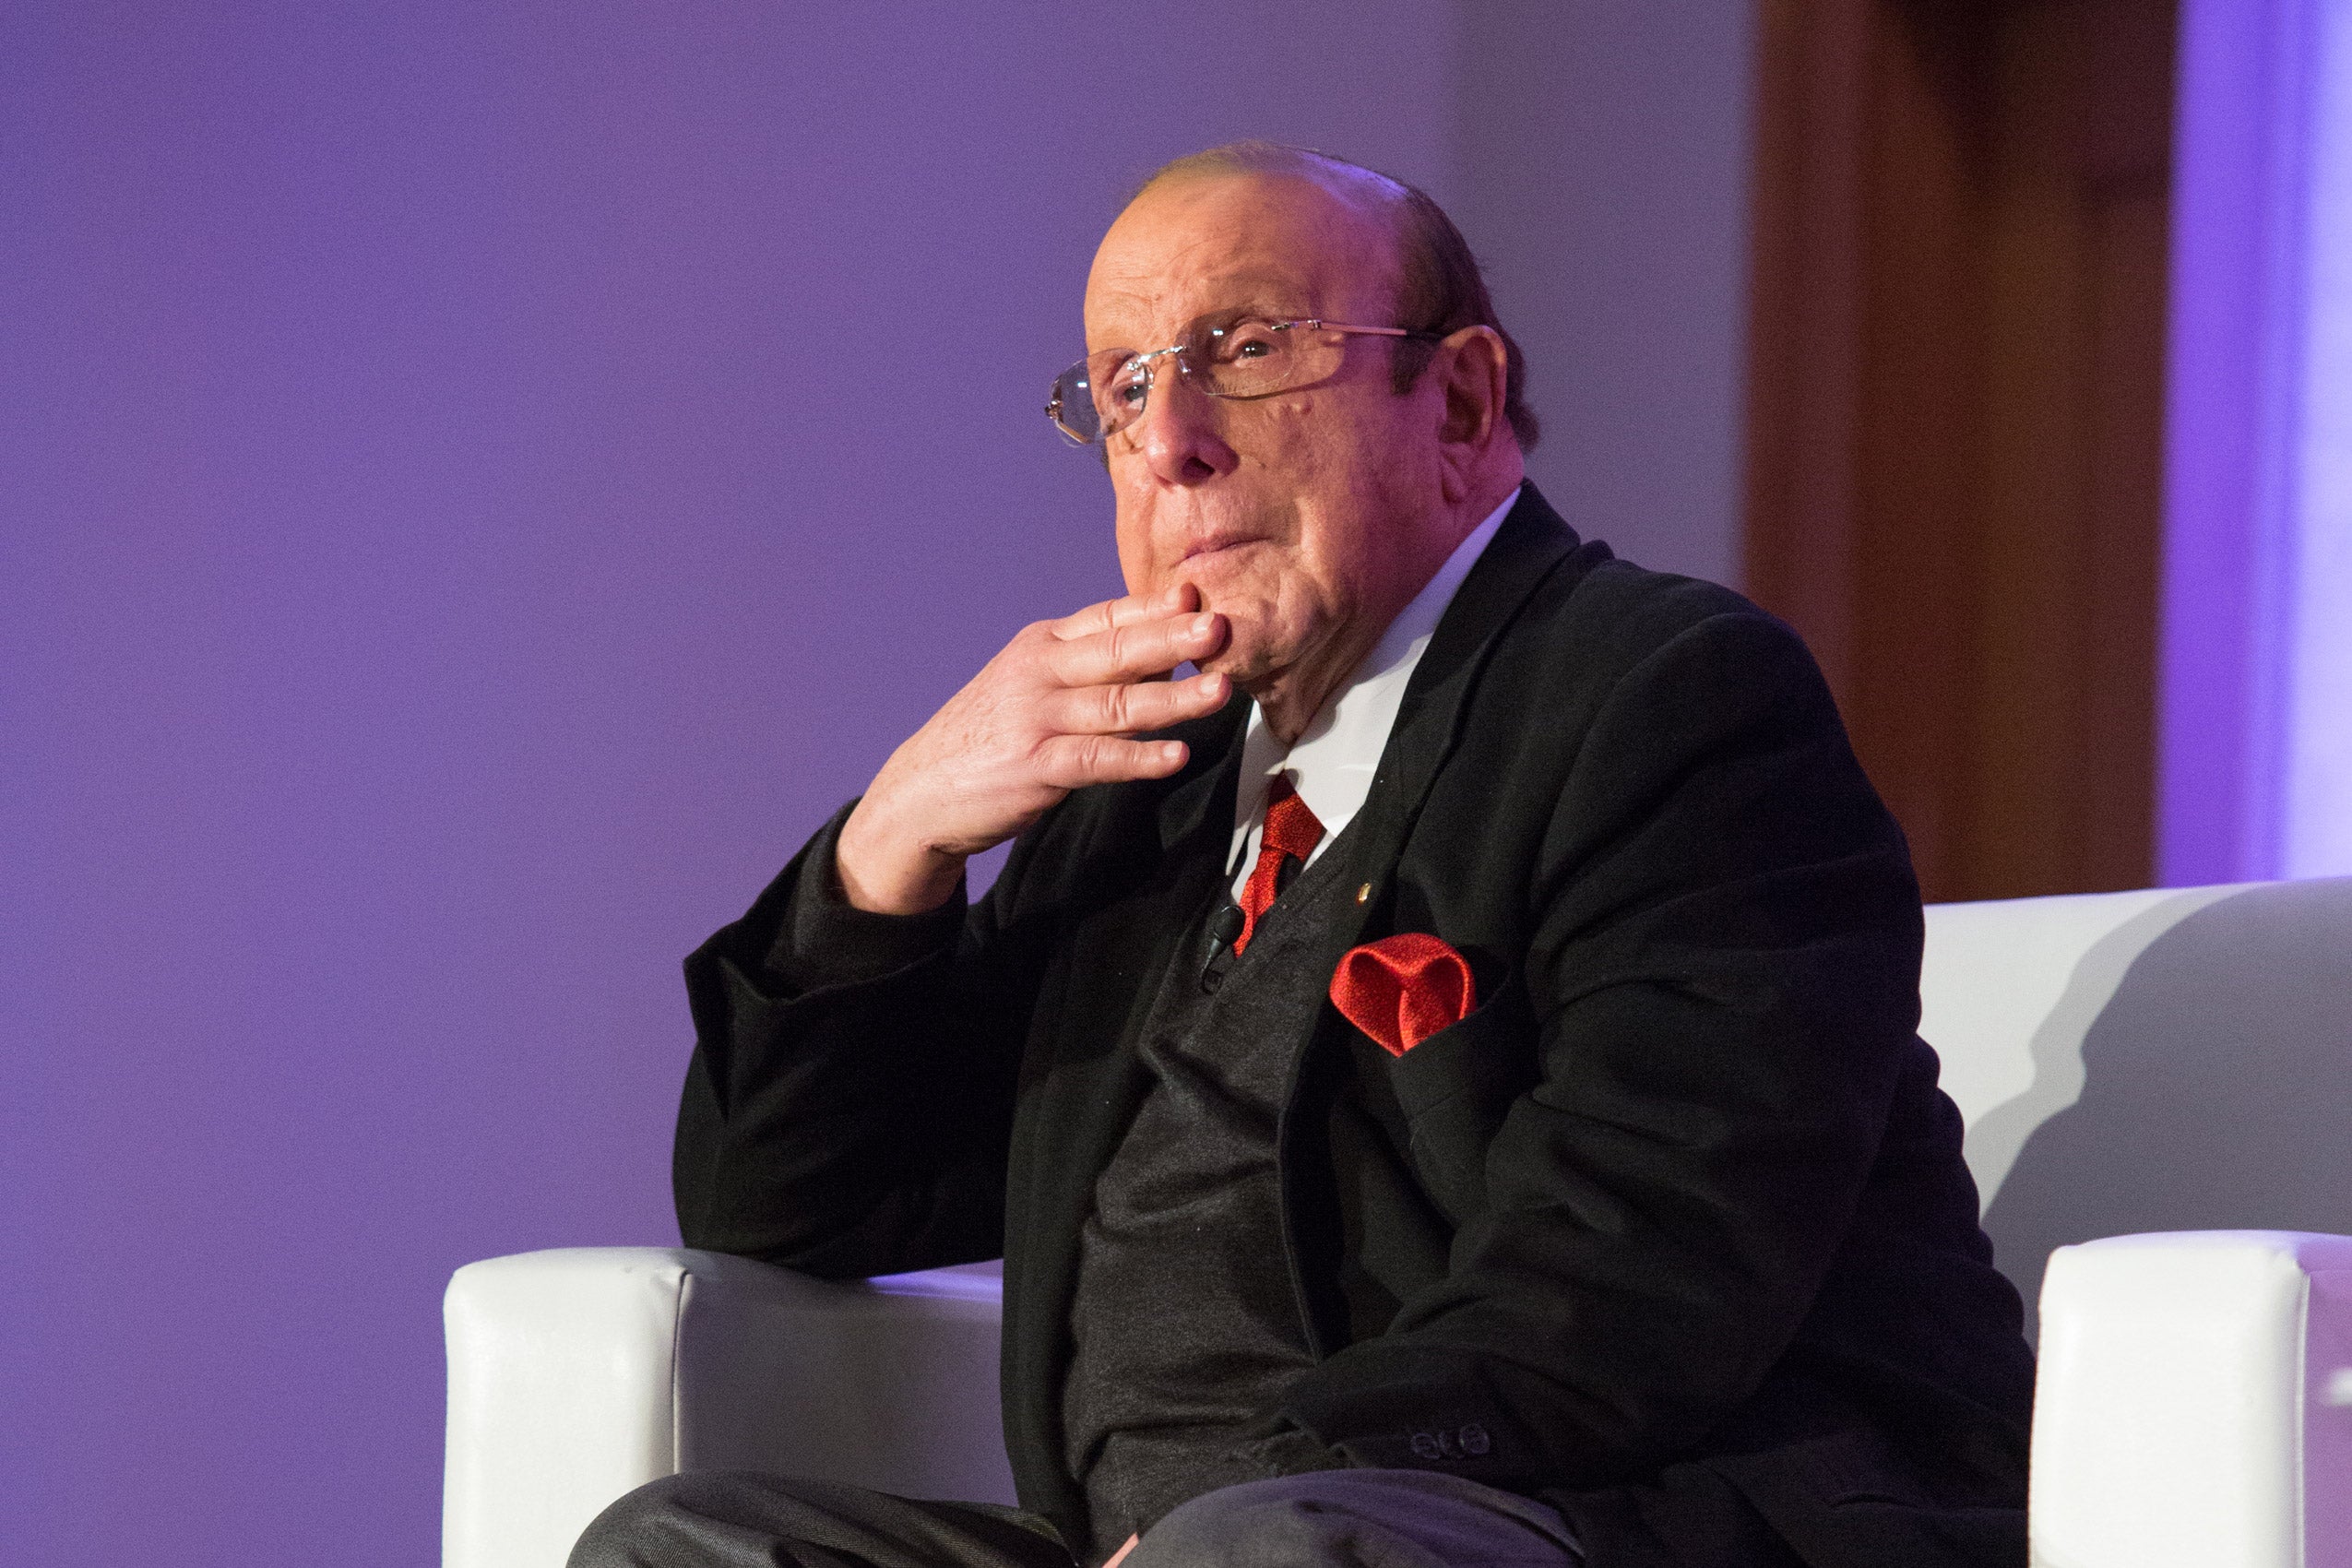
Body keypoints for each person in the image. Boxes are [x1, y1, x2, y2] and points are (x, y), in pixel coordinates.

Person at [573, 143, 2035, 1568]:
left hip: (1608, 1514)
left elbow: (1643, 1269)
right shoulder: (1147, 784)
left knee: (1272, 1546)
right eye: (1125, 385)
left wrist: (1269, 1492)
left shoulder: (1664, 698)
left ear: (1459, 398)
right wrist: (892, 840)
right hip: (1198, 1541)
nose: (1166, 439)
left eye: (1246, 347)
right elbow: (794, 1205)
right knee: (674, 1546)